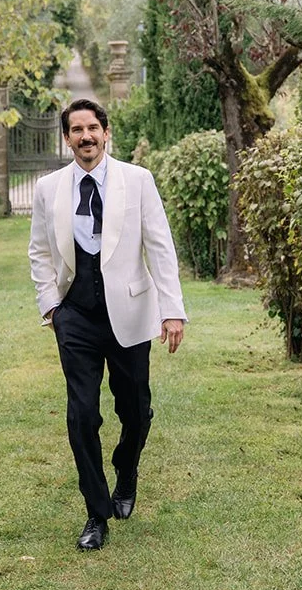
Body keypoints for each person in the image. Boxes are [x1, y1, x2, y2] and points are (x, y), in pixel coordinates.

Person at [28, 97, 187, 550]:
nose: (86, 137)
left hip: (131, 314)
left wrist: (171, 309)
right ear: (66, 138)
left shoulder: (137, 181)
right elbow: (40, 251)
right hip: (75, 315)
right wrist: (52, 308)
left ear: (106, 132)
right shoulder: (48, 189)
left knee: (135, 410)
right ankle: (96, 514)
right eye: (76, 130)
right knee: (81, 415)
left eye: (92, 128)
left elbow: (159, 246)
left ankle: (127, 467)